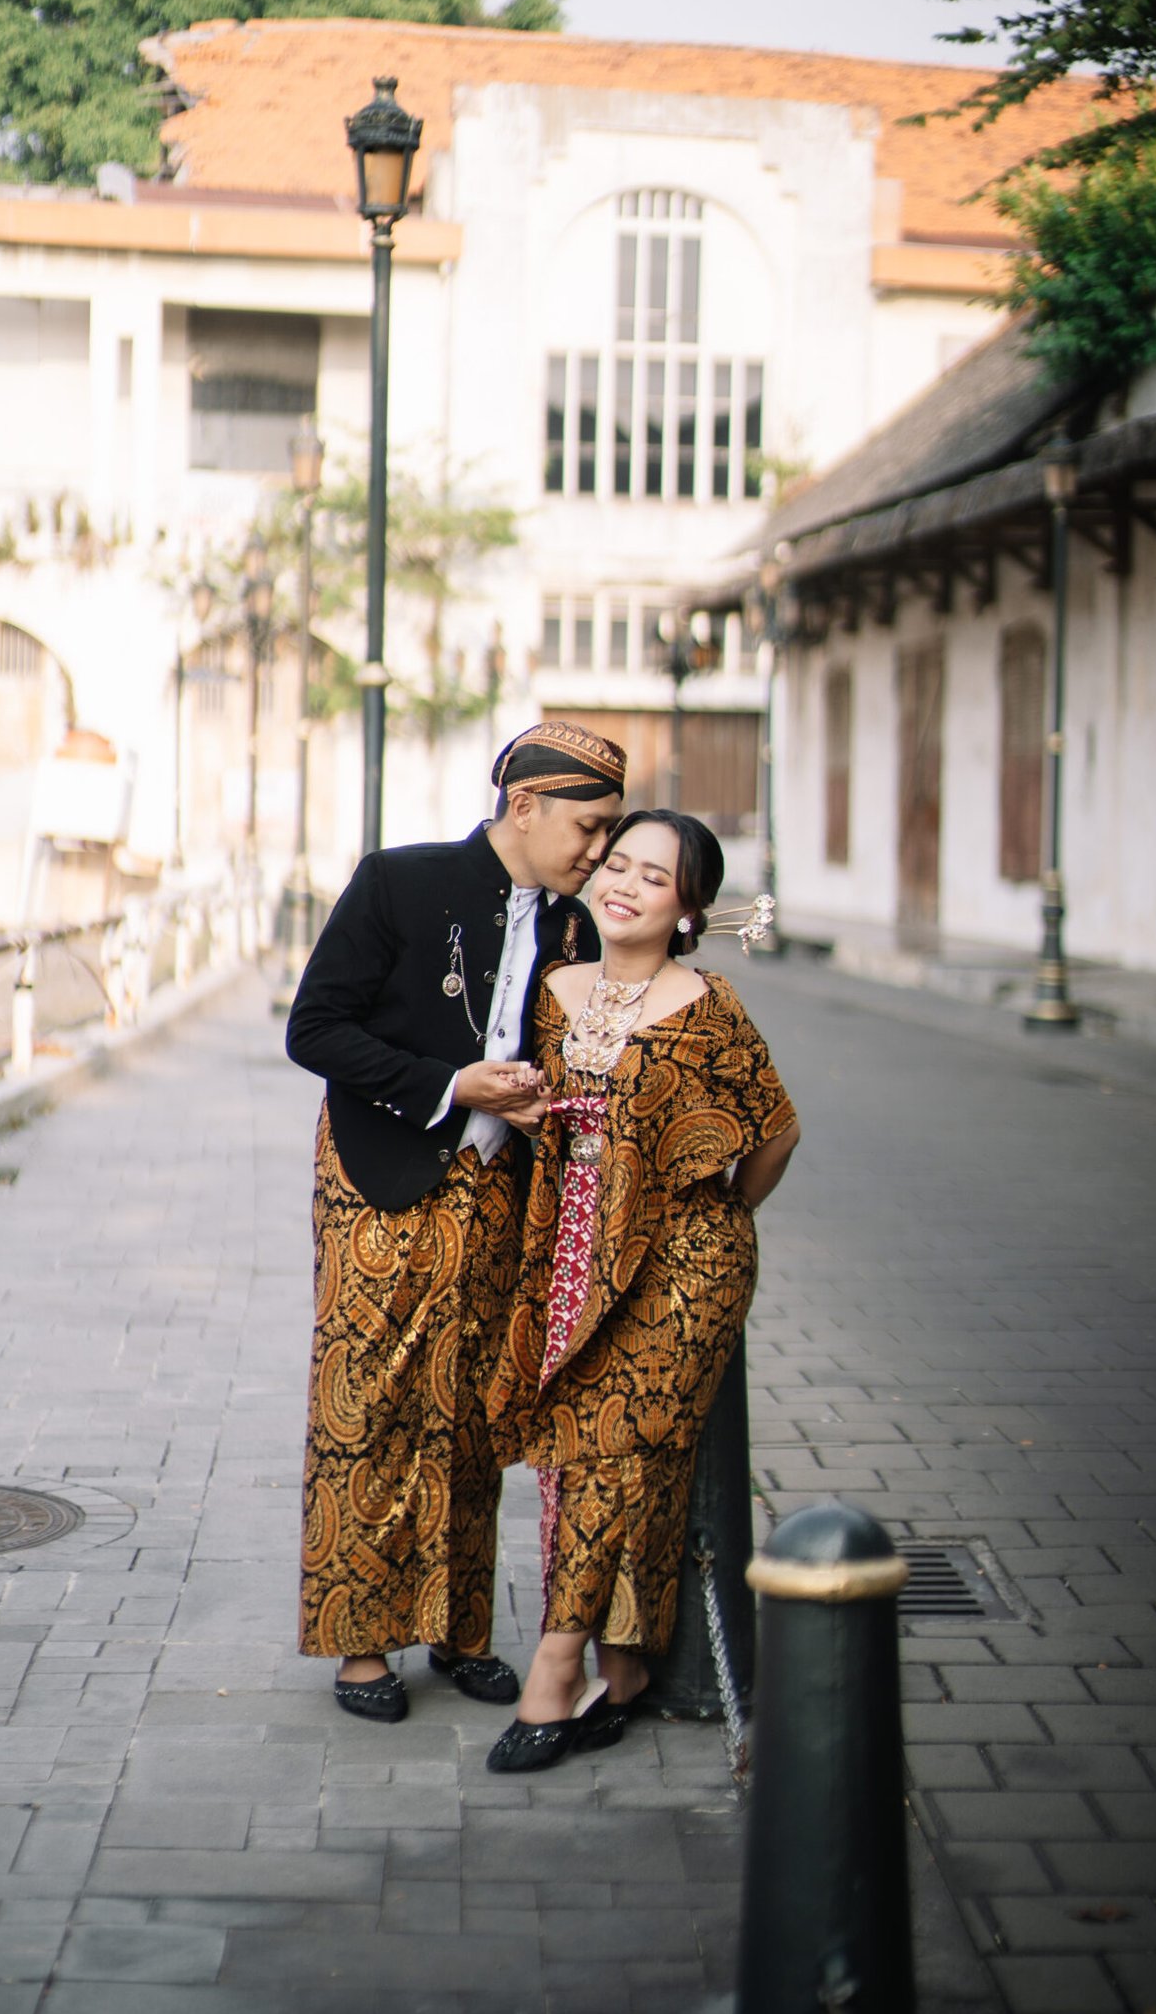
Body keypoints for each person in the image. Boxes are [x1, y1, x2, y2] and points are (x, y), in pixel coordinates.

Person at [285, 722, 627, 1722]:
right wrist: (451, 1084)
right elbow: (315, 1029)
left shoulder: (575, 926)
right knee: (367, 1406)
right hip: (380, 1177)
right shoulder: (398, 881)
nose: (599, 849)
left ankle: (461, 1631)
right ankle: (361, 1646)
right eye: (589, 827)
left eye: (611, 831)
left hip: (498, 1191)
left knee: (476, 1410)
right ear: (525, 805)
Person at [483, 809, 799, 1771]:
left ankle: (555, 1671)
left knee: (618, 1449)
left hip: (685, 1267)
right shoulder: (554, 990)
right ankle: (622, 1669)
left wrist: (716, 1218)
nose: (623, 884)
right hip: (574, 1254)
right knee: (590, 1458)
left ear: (688, 909)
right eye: (617, 864)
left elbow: (775, 1130)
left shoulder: (708, 1006)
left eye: (653, 877)